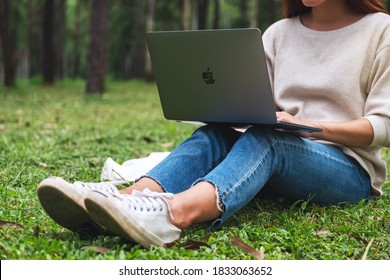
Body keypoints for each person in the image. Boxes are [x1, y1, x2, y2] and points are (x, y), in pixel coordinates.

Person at [37, 0, 390, 249]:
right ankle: (123, 201)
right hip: (281, 154)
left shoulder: (380, 30)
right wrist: (230, 109)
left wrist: (306, 124)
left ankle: (171, 217)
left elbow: (382, 127)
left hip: (347, 169)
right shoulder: (280, 33)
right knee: (215, 133)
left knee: (269, 138)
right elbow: (257, 104)